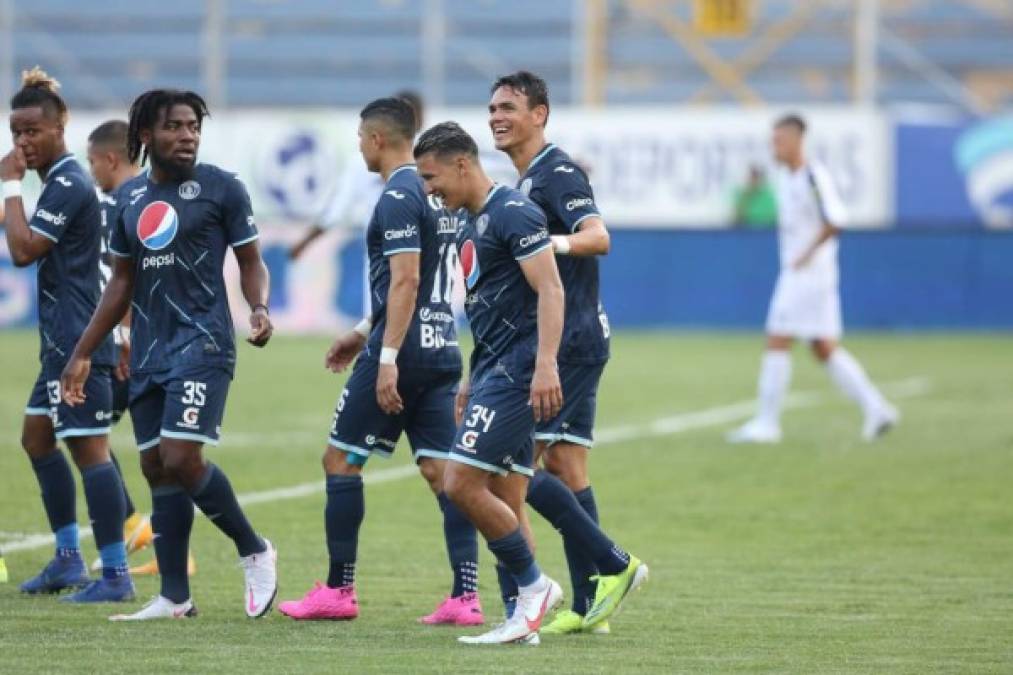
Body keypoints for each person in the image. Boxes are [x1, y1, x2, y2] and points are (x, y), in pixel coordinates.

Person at [415, 122, 647, 645]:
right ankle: (536, 608)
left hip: (520, 371)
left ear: (461, 164)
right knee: (509, 490)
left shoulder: (513, 212)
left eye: (432, 178)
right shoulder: (477, 221)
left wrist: (545, 365)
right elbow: (488, 310)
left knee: (460, 482)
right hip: (494, 369)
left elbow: (549, 291)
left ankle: (535, 587)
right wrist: (470, 379)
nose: (430, 190)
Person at [61, 88, 277, 621]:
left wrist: (258, 306)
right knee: (157, 467)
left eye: (192, 126)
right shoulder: (130, 200)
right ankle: (175, 598)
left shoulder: (222, 188)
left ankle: (254, 549)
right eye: (174, 127)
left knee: (182, 456)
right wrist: (85, 352)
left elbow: (251, 260)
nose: (187, 136)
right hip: (151, 351)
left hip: (203, 343)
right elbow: (120, 286)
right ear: (145, 135)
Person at [278, 97, 482, 626]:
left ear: (375, 140)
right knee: (442, 472)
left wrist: (384, 354)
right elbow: (413, 282)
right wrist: (361, 330)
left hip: (403, 352)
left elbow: (407, 278)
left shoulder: (396, 194)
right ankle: (466, 596)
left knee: (341, 461)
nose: (358, 146)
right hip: (441, 348)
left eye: (359, 137)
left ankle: (338, 591)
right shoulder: (438, 194)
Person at [486, 70, 624, 635]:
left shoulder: (557, 172)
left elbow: (599, 236)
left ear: (539, 114)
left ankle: (547, 594)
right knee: (566, 466)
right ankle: (593, 602)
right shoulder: (522, 181)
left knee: (507, 469)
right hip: (579, 336)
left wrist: (552, 241)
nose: (496, 116)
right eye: (492, 107)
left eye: (509, 107)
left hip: (567, 343)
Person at [2, 67, 134, 603]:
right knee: (36, 438)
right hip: (61, 341)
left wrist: (9, 185)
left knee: (90, 450)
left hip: (79, 343)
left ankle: (117, 575)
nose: (23, 143)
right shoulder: (63, 182)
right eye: (16, 133)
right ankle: (66, 558)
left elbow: (23, 250)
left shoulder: (66, 183)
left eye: (33, 131)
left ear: (60, 128)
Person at [727, 114, 899, 444]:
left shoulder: (811, 177)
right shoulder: (788, 178)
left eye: (779, 140)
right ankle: (877, 408)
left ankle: (767, 423)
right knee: (823, 347)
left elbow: (835, 220)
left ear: (796, 140)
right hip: (813, 275)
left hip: (807, 275)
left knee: (777, 337)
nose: (774, 147)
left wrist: (805, 255)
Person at [85, 120, 196, 577]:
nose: (90, 170)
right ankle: (146, 533)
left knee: (84, 436)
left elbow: (127, 283)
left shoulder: (125, 207)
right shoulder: (142, 202)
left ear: (111, 158)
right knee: (96, 439)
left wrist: (124, 338)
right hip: (152, 345)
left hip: (134, 348)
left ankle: (140, 530)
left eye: (92, 161)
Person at [288, 90, 426, 262]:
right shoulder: (362, 162)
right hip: (392, 259)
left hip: (405, 258)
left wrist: (303, 243)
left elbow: (334, 212)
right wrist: (304, 243)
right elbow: (335, 211)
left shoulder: (431, 158)